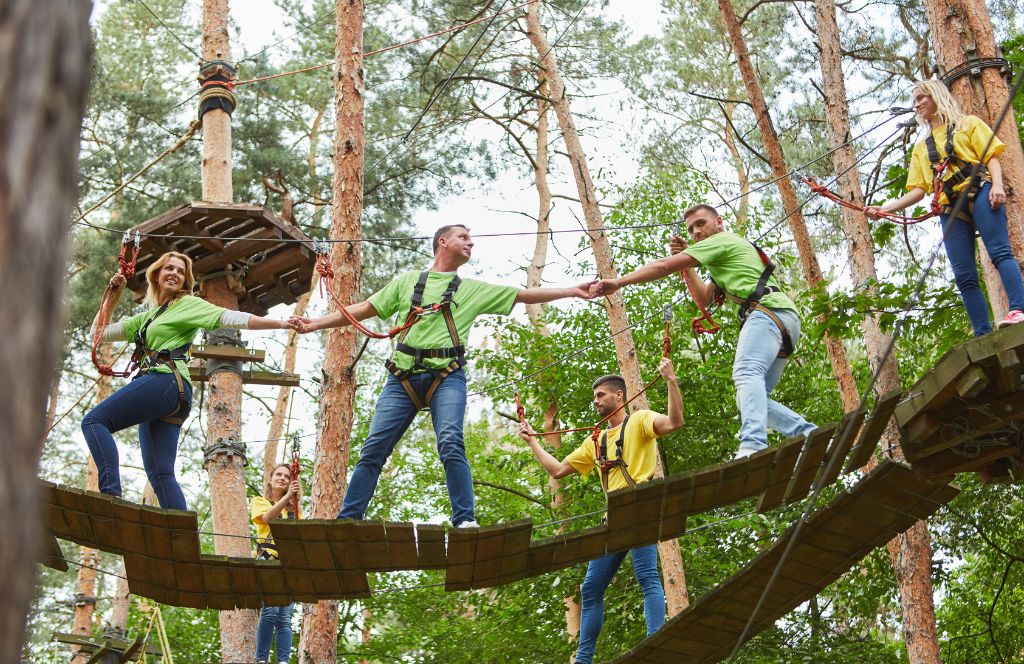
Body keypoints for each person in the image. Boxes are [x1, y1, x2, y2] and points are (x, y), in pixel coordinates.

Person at [293, 224, 596, 527]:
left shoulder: (472, 289)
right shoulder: (408, 282)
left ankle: (464, 520)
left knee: (451, 442)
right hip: (402, 378)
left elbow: (524, 295)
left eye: (471, 238)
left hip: (447, 378)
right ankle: (348, 520)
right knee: (373, 448)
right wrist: (315, 323)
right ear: (443, 241)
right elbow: (363, 308)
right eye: (464, 237)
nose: (471, 243)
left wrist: (571, 290)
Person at [591, 205, 816, 458]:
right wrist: (689, 266)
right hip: (782, 319)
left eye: (701, 224)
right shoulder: (723, 252)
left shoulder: (721, 240)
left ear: (719, 222)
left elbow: (664, 266)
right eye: (691, 229)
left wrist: (619, 282)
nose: (696, 232)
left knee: (745, 373)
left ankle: (753, 444)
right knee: (750, 398)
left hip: (767, 314)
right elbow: (705, 297)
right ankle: (810, 435)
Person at [83, 251, 294, 509]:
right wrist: (112, 298)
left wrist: (281, 323)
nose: (174, 273)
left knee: (94, 421)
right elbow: (98, 334)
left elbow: (229, 317)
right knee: (161, 473)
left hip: (166, 382)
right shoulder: (145, 318)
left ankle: (111, 496)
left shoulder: (187, 304)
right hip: (171, 393)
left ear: (185, 282)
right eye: (169, 268)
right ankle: (182, 542)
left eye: (181, 272)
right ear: (157, 275)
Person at [517, 358, 684, 664]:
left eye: (600, 395)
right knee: (591, 587)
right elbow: (557, 470)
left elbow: (674, 423)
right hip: (614, 517)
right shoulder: (595, 441)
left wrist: (671, 381)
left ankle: (656, 640)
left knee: (647, 575)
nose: (595, 401)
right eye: (594, 397)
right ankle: (583, 659)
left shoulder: (640, 420)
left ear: (619, 396)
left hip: (640, 507)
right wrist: (532, 442)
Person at [865, 79, 1024, 336]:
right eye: (914, 100)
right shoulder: (921, 148)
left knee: (999, 252)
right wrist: (886, 208)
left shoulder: (967, 124)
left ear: (936, 96)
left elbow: (990, 157)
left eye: (920, 98)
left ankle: (1018, 309)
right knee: (963, 275)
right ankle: (982, 332)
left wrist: (998, 186)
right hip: (951, 209)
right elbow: (918, 190)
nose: (916, 105)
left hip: (980, 191)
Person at [251, 463, 300, 664]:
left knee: (285, 619)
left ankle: (283, 661)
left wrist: (291, 500)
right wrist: (287, 497)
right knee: (270, 610)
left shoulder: (294, 511)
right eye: (278, 475)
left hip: (289, 564)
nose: (282, 478)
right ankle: (261, 659)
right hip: (268, 560)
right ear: (270, 480)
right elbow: (265, 517)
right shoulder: (260, 501)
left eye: (287, 476)